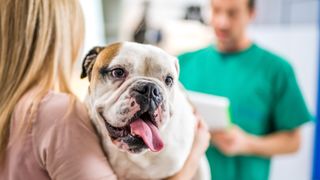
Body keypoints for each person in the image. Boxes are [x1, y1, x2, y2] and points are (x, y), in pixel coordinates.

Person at [0, 0, 210, 179]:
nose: (148, 93)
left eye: (167, 81)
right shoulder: (58, 113)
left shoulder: (11, 105)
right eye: (118, 73)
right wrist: (194, 157)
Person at [178, 0, 311, 180]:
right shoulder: (183, 65)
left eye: (232, 13)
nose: (222, 22)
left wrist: (247, 143)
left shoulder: (276, 70)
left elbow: (293, 141)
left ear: (251, 13)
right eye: (216, 10)